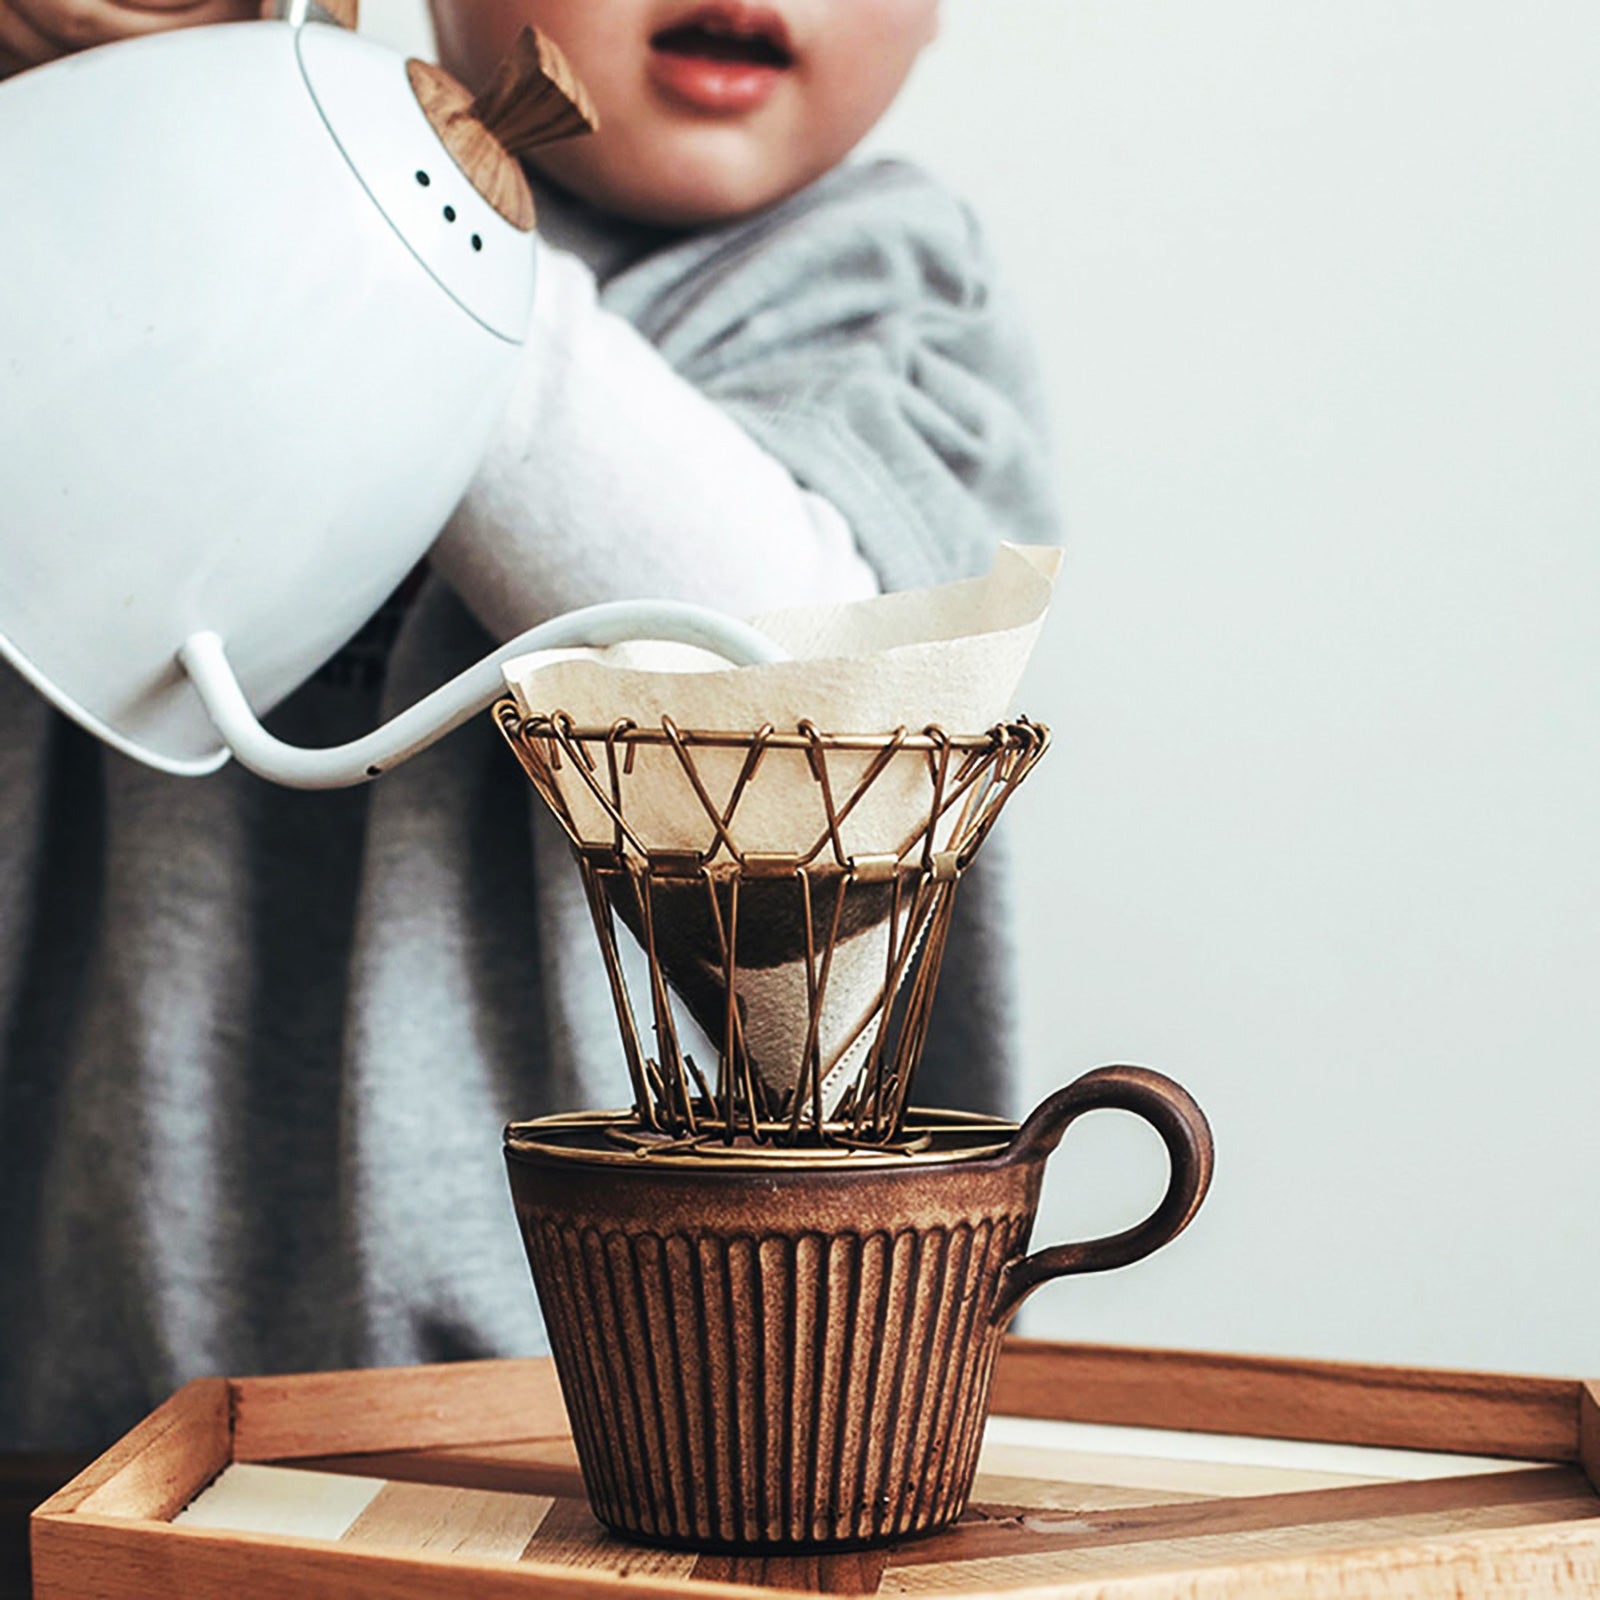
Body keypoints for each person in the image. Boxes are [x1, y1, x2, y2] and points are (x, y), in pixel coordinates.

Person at [0, 0, 1059, 1454]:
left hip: (636, 1465)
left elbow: (795, 678)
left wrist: (389, 203)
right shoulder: (155, 169)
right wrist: (119, 107)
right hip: (86, 1424)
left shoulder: (885, 295)